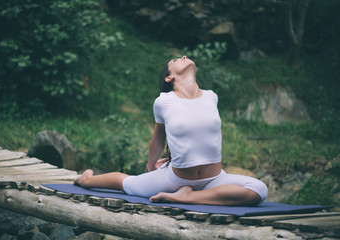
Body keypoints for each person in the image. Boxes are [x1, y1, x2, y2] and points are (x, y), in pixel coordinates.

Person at [74, 56, 268, 206]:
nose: (184, 56)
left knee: (259, 189)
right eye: (176, 60)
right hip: (176, 179)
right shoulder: (164, 101)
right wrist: (151, 167)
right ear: (169, 77)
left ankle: (189, 197)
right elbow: (157, 140)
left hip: (214, 178)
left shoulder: (211, 97)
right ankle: (87, 179)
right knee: (129, 185)